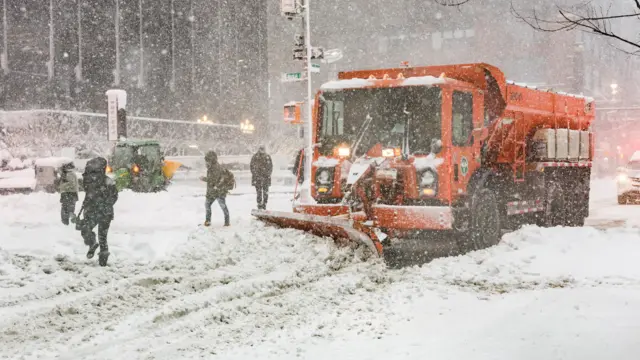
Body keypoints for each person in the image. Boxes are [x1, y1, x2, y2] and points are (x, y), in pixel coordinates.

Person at [79, 157, 119, 266]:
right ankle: (103, 258)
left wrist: (92, 204)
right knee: (103, 237)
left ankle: (92, 243)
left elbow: (88, 195)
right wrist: (105, 204)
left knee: (86, 228)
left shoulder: (88, 181)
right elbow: (114, 197)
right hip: (105, 213)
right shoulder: (108, 181)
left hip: (94, 211)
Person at [200, 150, 231, 227]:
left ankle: (226, 222)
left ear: (212, 160)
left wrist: (204, 178)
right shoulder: (211, 167)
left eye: (207, 160)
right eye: (206, 161)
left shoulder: (216, 167)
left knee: (222, 205)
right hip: (213, 191)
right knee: (208, 205)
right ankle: (208, 221)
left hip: (218, 191)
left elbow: (213, 180)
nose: (206, 162)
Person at [250, 145, 273, 210]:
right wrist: (257, 175)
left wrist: (266, 175)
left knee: (264, 193)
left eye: (263, 149)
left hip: (263, 178)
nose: (262, 150)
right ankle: (260, 205)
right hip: (259, 179)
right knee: (260, 193)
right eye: (261, 149)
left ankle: (263, 204)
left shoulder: (266, 157)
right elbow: (252, 167)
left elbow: (270, 167)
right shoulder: (256, 157)